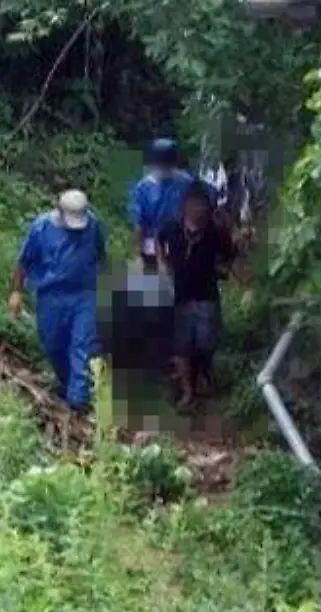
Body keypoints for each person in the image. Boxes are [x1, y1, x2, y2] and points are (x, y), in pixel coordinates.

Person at [8, 189, 107, 413]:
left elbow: (101, 257)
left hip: (84, 295)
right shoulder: (41, 228)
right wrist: (16, 292)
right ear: (60, 211)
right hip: (51, 295)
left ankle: (78, 402)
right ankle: (68, 385)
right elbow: (23, 263)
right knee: (53, 344)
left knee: (81, 346)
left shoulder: (92, 226)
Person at [156, 180, 251, 410]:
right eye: (194, 204)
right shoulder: (172, 227)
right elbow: (159, 243)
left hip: (206, 296)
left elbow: (231, 258)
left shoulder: (215, 233)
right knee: (180, 346)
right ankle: (188, 391)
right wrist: (162, 267)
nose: (198, 209)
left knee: (206, 343)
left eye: (202, 205)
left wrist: (245, 286)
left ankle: (200, 374)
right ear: (185, 205)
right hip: (179, 296)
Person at [128, 138, 217, 272]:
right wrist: (137, 252)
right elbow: (138, 224)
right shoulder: (144, 188)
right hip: (154, 247)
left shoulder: (185, 183)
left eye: (166, 164)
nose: (164, 168)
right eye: (162, 164)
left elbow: (207, 199)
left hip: (179, 244)